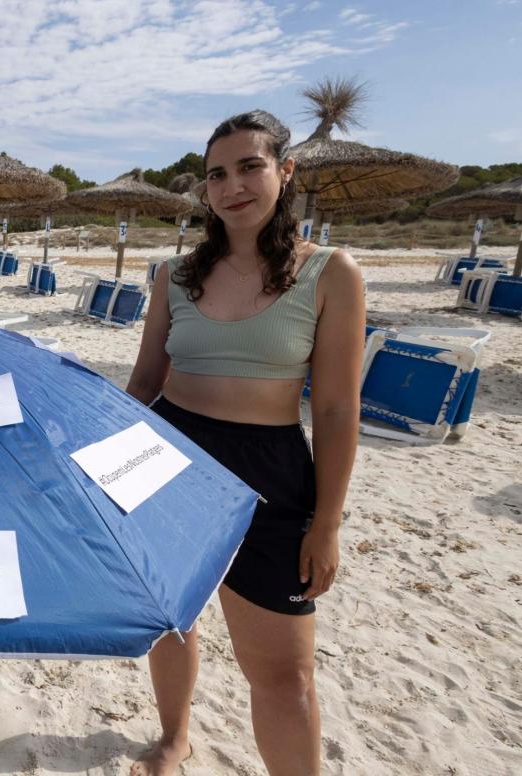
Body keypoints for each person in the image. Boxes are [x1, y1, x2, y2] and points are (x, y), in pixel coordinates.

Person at [125, 111, 363, 776]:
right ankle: (174, 738)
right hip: (170, 461)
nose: (232, 186)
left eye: (249, 166)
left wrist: (326, 523)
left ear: (285, 172)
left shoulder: (330, 274)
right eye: (215, 175)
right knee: (173, 623)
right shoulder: (173, 275)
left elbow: (339, 409)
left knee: (284, 677)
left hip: (272, 472)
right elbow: (146, 380)